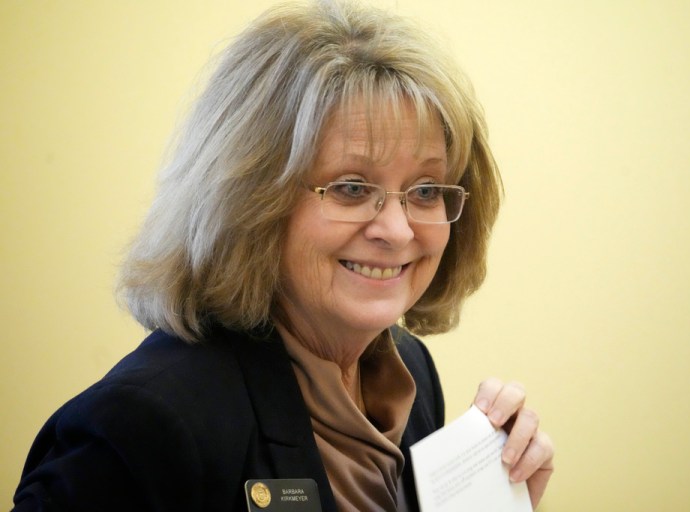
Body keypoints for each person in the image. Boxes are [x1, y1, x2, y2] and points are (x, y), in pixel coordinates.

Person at [12, 1, 554, 510]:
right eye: (350, 187)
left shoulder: (408, 371)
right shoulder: (141, 426)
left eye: (427, 190)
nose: (396, 229)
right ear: (251, 201)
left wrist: (489, 494)